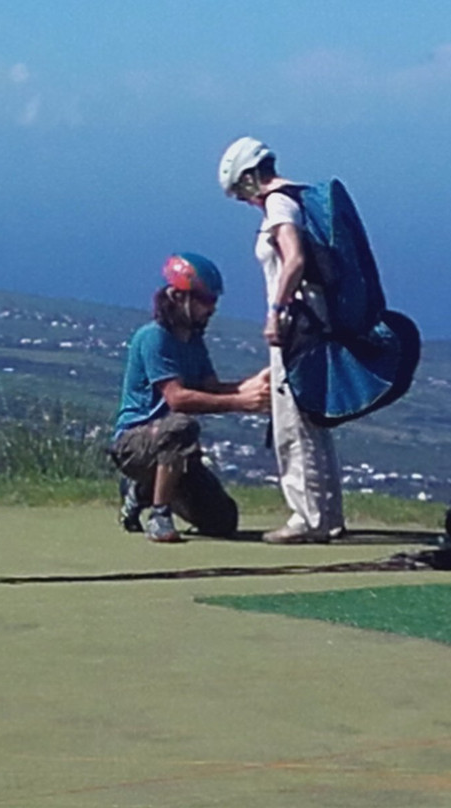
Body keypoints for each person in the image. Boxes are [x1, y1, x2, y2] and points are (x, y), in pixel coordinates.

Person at [218, 136, 346, 543]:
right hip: (312, 319)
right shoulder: (297, 198)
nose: (243, 199)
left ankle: (306, 518)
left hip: (296, 324)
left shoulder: (278, 204)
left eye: (241, 190)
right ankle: (326, 515)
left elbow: (294, 258)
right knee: (311, 418)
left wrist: (276, 311)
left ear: (252, 176)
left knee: (292, 420)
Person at [110, 252, 271, 543]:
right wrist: (241, 402)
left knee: (222, 521)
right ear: (177, 296)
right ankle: (159, 514)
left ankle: (142, 490)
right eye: (205, 300)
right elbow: (178, 399)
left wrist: (250, 385)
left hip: (176, 448)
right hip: (134, 442)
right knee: (181, 425)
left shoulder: (194, 342)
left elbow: (210, 388)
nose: (211, 309)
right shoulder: (154, 337)